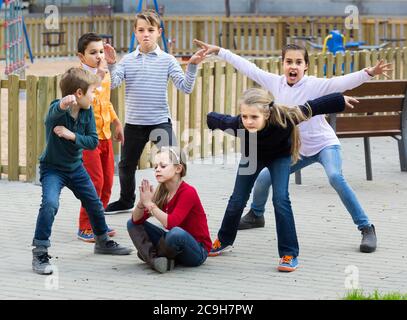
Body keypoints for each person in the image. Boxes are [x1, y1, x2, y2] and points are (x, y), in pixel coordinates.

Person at [194, 40, 392, 253]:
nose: (293, 66)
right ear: (282, 64)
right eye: (289, 61)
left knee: (335, 177)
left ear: (306, 66)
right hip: (297, 150)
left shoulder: (315, 85)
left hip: (324, 144)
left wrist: (368, 72)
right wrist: (220, 51)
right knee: (262, 179)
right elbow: (249, 68)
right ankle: (256, 215)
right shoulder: (275, 83)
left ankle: (366, 227)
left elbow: (341, 82)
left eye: (298, 62)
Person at [207, 88, 357, 271]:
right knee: (237, 199)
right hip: (252, 157)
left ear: (267, 114)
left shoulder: (286, 118)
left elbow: (315, 106)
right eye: (244, 116)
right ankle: (224, 240)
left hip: (279, 158)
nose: (248, 121)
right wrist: (209, 120)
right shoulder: (238, 124)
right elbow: (218, 119)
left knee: (280, 199)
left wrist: (340, 100)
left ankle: (289, 253)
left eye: (254, 117)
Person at [102, 10, 206, 215]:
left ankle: (173, 199)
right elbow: (113, 83)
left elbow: (185, 87)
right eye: (141, 30)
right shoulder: (128, 60)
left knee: (175, 161)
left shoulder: (167, 60)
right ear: (135, 33)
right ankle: (125, 200)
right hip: (134, 123)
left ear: (159, 32)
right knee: (125, 165)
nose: (146, 34)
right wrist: (112, 64)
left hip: (159, 121)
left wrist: (192, 66)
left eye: (150, 30)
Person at [32, 68, 132, 275]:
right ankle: (40, 252)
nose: (94, 96)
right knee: (50, 203)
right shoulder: (56, 110)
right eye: (92, 92)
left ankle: (102, 241)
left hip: (76, 168)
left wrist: (72, 136)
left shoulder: (87, 113)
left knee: (94, 202)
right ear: (79, 93)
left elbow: (92, 141)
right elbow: (51, 117)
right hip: (53, 169)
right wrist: (62, 104)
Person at [127, 146, 212, 273]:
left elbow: (172, 223)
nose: (157, 170)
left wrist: (150, 204)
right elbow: (136, 220)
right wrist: (142, 202)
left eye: (163, 166)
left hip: (197, 250)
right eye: (155, 167)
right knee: (131, 223)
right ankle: (156, 260)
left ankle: (150, 255)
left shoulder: (188, 192)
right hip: (174, 246)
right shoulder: (161, 191)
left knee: (176, 233)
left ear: (178, 168)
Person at [76, 32, 124, 242]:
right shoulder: (78, 77)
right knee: (94, 182)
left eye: (100, 52)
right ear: (81, 56)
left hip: (105, 136)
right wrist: (99, 79)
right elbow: (83, 104)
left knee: (107, 182)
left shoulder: (103, 74)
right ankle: (85, 226)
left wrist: (116, 122)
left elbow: (106, 102)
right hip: (88, 137)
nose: (98, 56)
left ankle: (99, 221)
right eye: (92, 52)